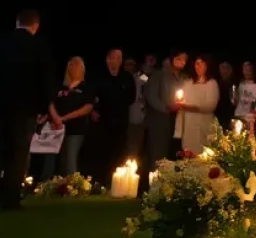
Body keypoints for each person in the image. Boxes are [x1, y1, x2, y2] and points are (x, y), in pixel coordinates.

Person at [0, 9, 55, 211]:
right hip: (23, 110)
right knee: (17, 154)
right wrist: (44, 107)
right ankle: (10, 198)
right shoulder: (38, 46)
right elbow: (46, 79)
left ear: (17, 23)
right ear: (35, 26)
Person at [42, 57, 96, 178]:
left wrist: (65, 118)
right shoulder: (60, 88)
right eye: (70, 65)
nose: (73, 67)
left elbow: (87, 107)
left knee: (70, 161)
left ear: (83, 69)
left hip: (75, 129)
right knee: (55, 161)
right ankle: (53, 187)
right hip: (56, 129)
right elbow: (51, 102)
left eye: (76, 65)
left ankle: (73, 187)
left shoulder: (86, 87)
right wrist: (55, 117)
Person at [92, 48, 137, 177]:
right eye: (115, 57)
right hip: (102, 122)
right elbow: (92, 96)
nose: (118, 61)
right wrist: (94, 110)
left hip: (120, 121)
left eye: (120, 58)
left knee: (119, 152)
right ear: (108, 59)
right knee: (102, 152)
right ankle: (99, 180)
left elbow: (131, 97)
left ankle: (115, 179)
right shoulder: (99, 77)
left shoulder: (127, 77)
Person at [143, 49, 187, 177]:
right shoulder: (159, 75)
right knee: (157, 154)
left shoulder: (183, 78)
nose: (181, 62)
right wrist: (166, 108)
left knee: (172, 155)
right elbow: (151, 96)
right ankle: (153, 184)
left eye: (184, 59)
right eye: (178, 58)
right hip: (159, 120)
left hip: (177, 121)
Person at [179, 54, 220, 154]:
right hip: (189, 126)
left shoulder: (211, 83)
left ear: (207, 66)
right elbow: (181, 99)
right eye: (197, 63)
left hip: (203, 127)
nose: (198, 66)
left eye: (202, 64)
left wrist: (192, 107)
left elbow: (210, 106)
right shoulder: (188, 83)